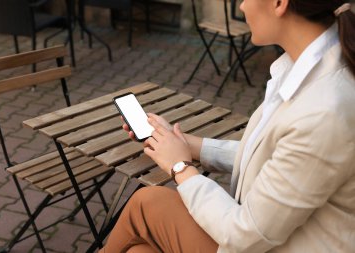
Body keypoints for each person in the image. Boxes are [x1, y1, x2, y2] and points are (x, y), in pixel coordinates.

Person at [100, 0, 355, 252]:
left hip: (261, 242)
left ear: (279, 3)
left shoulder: (323, 110)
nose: (242, 7)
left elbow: (245, 234)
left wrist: (180, 167)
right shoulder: (309, 69)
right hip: (279, 238)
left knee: (146, 203)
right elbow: (274, 158)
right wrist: (182, 144)